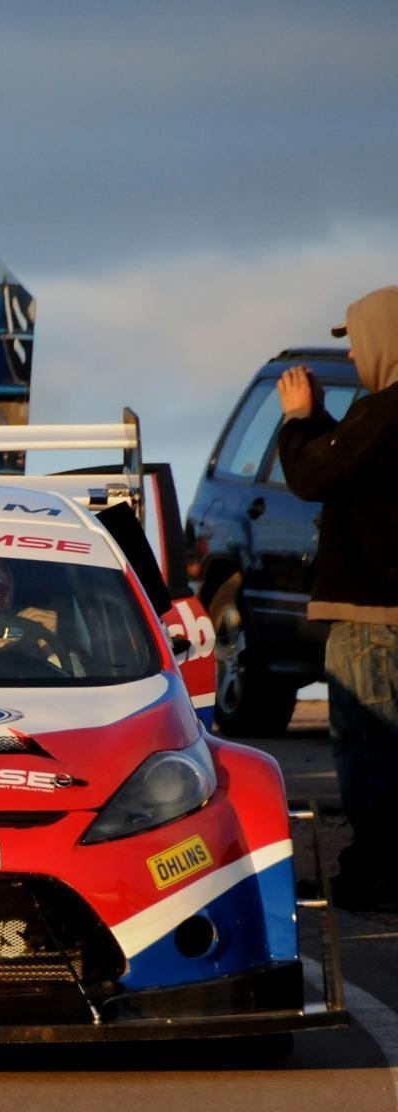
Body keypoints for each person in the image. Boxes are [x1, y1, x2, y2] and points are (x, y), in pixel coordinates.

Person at [277, 284, 398, 908]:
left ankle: (376, 875)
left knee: (372, 752)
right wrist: (321, 424)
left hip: (374, 620)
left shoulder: (387, 411)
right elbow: (345, 465)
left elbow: (315, 474)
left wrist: (299, 417)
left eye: (359, 342)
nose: (353, 358)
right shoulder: (376, 419)